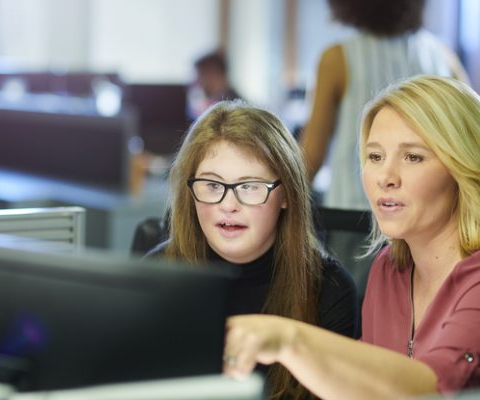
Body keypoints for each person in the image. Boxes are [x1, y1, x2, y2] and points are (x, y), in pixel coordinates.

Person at [223, 75, 480, 399]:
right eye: (374, 157)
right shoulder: (390, 268)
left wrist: (288, 339)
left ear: (464, 170)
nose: (385, 176)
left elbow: (436, 392)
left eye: (413, 157)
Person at [147, 100, 359, 399]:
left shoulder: (329, 289)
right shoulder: (156, 274)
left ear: (285, 195)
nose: (228, 205)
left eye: (249, 186)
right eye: (211, 185)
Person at [300, 0, 468, 210]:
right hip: (425, 214)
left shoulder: (337, 59)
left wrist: (282, 203)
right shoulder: (442, 58)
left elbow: (313, 154)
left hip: (354, 214)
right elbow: (467, 143)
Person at [186, 49, 242, 120]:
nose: (196, 81)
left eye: (199, 75)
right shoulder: (210, 102)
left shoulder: (234, 109)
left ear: (213, 75)